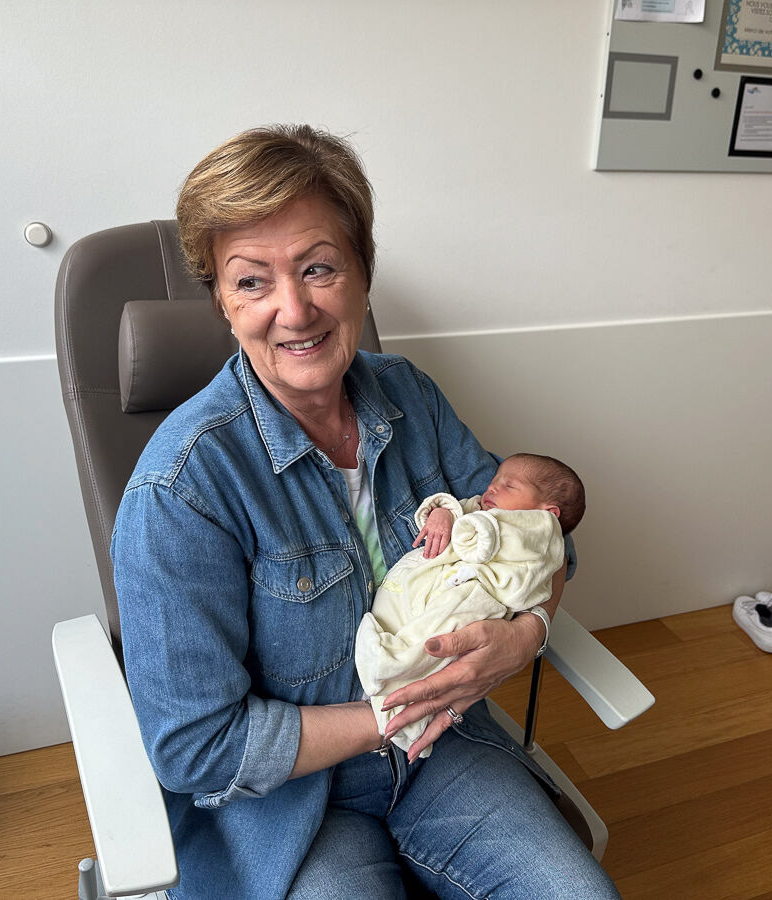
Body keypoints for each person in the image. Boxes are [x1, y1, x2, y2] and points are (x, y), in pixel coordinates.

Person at [111, 124, 621, 899]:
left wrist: (526, 636)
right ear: (221, 301)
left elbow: (543, 541)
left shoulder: (409, 395)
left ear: (362, 274)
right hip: (292, 807)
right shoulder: (181, 488)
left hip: (443, 752)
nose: (293, 310)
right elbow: (197, 749)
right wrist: (396, 710)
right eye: (251, 281)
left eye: (318, 268)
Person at [356, 454, 585, 756]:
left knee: (436, 635)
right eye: (494, 480)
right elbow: (457, 509)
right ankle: (392, 685)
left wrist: (531, 631)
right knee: (405, 615)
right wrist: (443, 514)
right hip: (440, 581)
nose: (492, 488)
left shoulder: (538, 535)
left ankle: (392, 670)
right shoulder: (484, 508)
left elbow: (516, 572)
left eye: (509, 485)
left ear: (548, 514)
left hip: (479, 597)